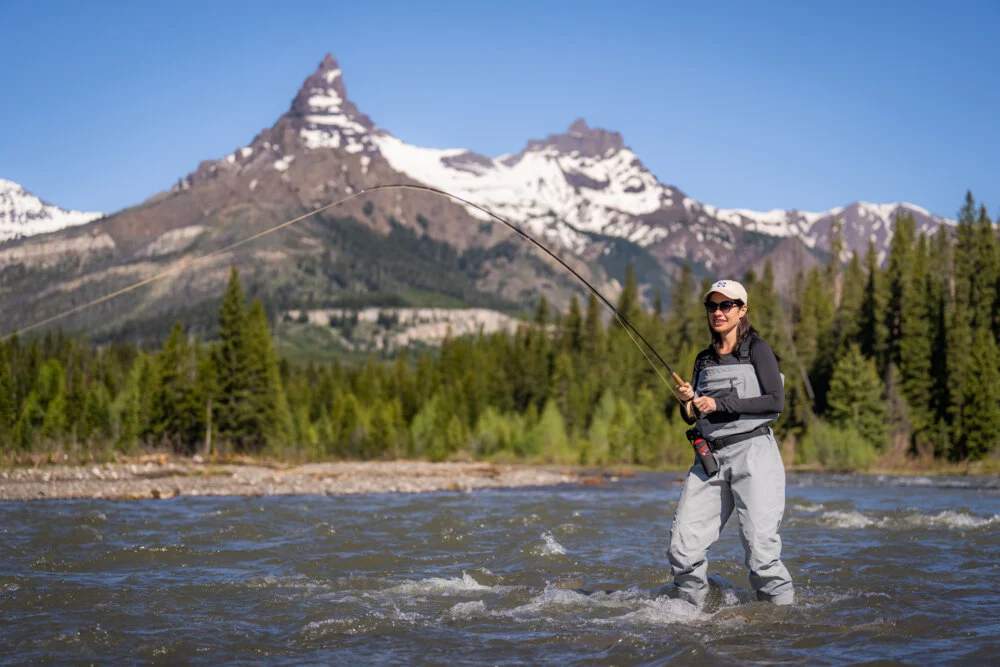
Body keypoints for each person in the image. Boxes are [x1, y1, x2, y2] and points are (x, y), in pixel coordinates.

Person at [663, 279, 794, 607]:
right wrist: (687, 401)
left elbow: (775, 402)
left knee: (762, 558)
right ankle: (689, 615)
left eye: (727, 305)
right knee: (682, 549)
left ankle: (782, 624)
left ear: (742, 310)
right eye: (712, 306)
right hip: (709, 459)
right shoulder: (703, 359)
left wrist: (719, 404)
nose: (718, 312)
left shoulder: (757, 349)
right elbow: (692, 416)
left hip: (754, 454)